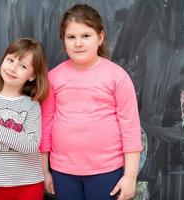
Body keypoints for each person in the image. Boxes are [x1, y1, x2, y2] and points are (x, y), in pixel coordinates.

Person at [40, 4, 143, 200]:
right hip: (63, 172)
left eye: (86, 36)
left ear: (100, 37)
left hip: (106, 171)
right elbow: (45, 125)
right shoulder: (53, 78)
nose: (78, 43)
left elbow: (130, 128)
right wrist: (44, 171)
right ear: (64, 40)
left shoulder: (117, 77)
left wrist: (130, 176)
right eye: (71, 37)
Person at [0, 38, 49, 200]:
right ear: (3, 60)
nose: (13, 68)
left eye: (23, 66)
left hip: (29, 184)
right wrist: (17, 141)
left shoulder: (32, 106)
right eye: (10, 60)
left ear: (32, 75)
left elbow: (32, 145)